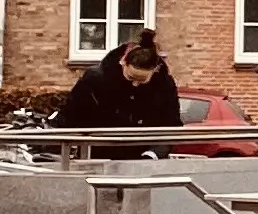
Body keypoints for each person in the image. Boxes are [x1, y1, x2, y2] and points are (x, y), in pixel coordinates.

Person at [54, 31, 186, 150]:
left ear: (155, 70)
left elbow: (171, 124)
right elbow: (70, 116)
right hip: (98, 155)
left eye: (143, 80)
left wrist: (155, 153)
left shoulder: (164, 84)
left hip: (144, 158)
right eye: (130, 77)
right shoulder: (95, 79)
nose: (135, 84)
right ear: (123, 62)